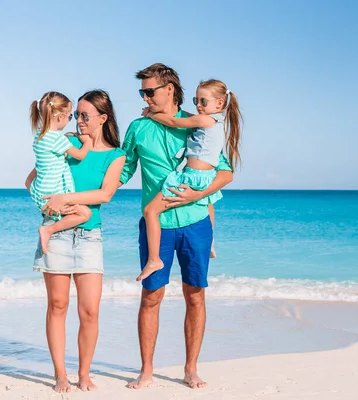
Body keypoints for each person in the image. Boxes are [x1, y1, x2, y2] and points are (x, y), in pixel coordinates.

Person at [119, 63, 234, 389]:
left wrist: (198, 193)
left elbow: (223, 172)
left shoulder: (198, 122)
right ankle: (147, 371)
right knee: (151, 296)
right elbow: (123, 170)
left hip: (197, 220)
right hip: (158, 225)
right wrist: (82, 175)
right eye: (142, 92)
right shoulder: (138, 127)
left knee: (195, 295)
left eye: (149, 91)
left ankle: (191, 368)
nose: (144, 97)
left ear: (170, 89)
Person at [25, 90, 126, 393]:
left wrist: (64, 198)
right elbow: (34, 178)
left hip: (88, 236)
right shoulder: (63, 142)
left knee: (90, 311)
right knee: (57, 305)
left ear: (103, 118)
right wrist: (44, 203)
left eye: (85, 116)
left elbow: (104, 194)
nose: (79, 121)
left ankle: (84, 374)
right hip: (55, 230)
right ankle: (60, 374)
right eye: (77, 114)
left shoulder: (115, 155)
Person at [136, 78, 242, 282]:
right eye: (196, 100)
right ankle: (209, 243)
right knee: (207, 203)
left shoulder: (204, 121)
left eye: (203, 101)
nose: (198, 106)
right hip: (206, 177)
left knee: (150, 210)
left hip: (191, 176)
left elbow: (175, 122)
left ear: (219, 103)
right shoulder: (217, 121)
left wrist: (151, 114)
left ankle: (154, 259)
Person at [28, 91, 93, 254]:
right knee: (85, 213)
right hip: (53, 194)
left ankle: (49, 228)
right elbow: (80, 155)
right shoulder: (57, 139)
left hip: (40, 193)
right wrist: (87, 142)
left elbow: (52, 156)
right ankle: (48, 230)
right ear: (59, 117)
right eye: (70, 117)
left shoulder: (39, 136)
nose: (71, 120)